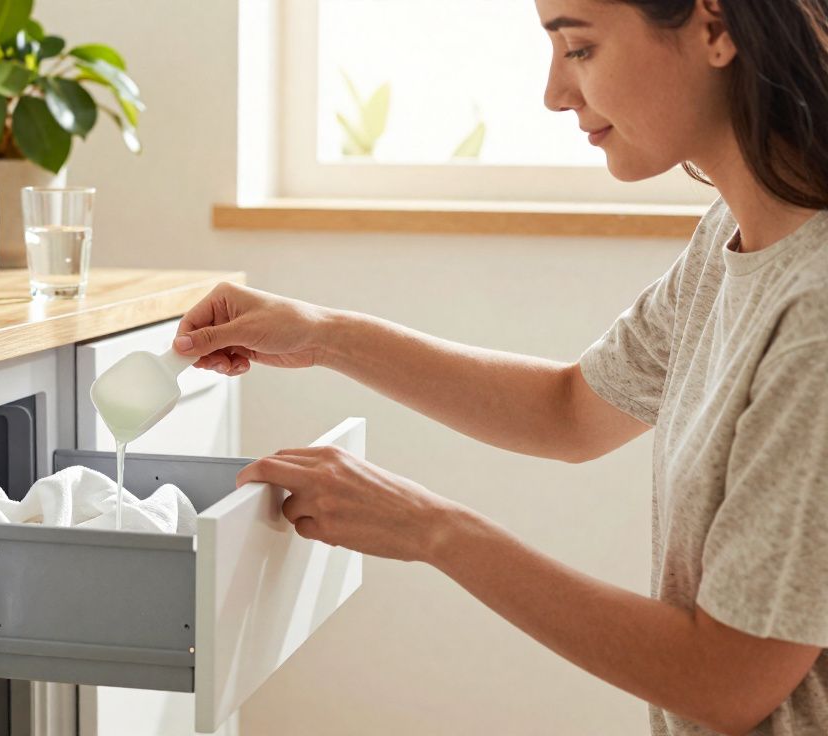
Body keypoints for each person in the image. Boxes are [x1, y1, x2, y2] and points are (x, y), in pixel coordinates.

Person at [172, 1, 828, 734]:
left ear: (715, 27)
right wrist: (324, 335)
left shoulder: (816, 315)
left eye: (578, 48)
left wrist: (433, 530)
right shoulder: (732, 238)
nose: (555, 92)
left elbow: (726, 680)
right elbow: (571, 408)